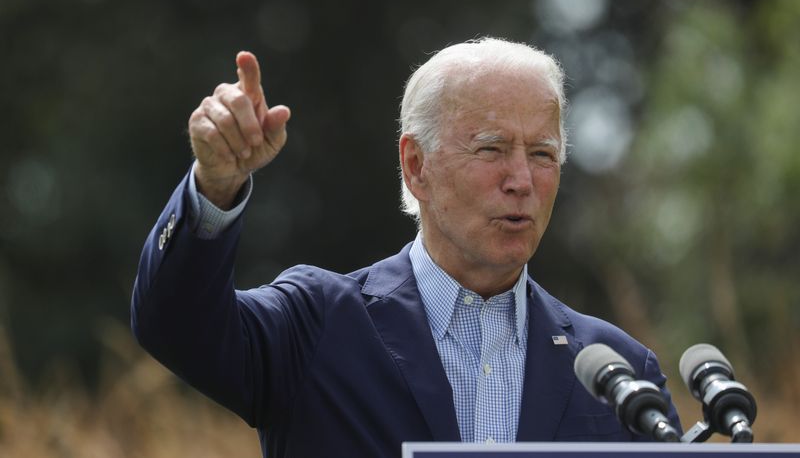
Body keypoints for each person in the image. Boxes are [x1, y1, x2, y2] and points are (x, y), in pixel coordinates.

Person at [131, 37, 681, 457]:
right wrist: (215, 185)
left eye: (542, 154)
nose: (522, 180)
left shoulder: (619, 371)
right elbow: (174, 324)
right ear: (416, 166)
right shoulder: (315, 325)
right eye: (492, 149)